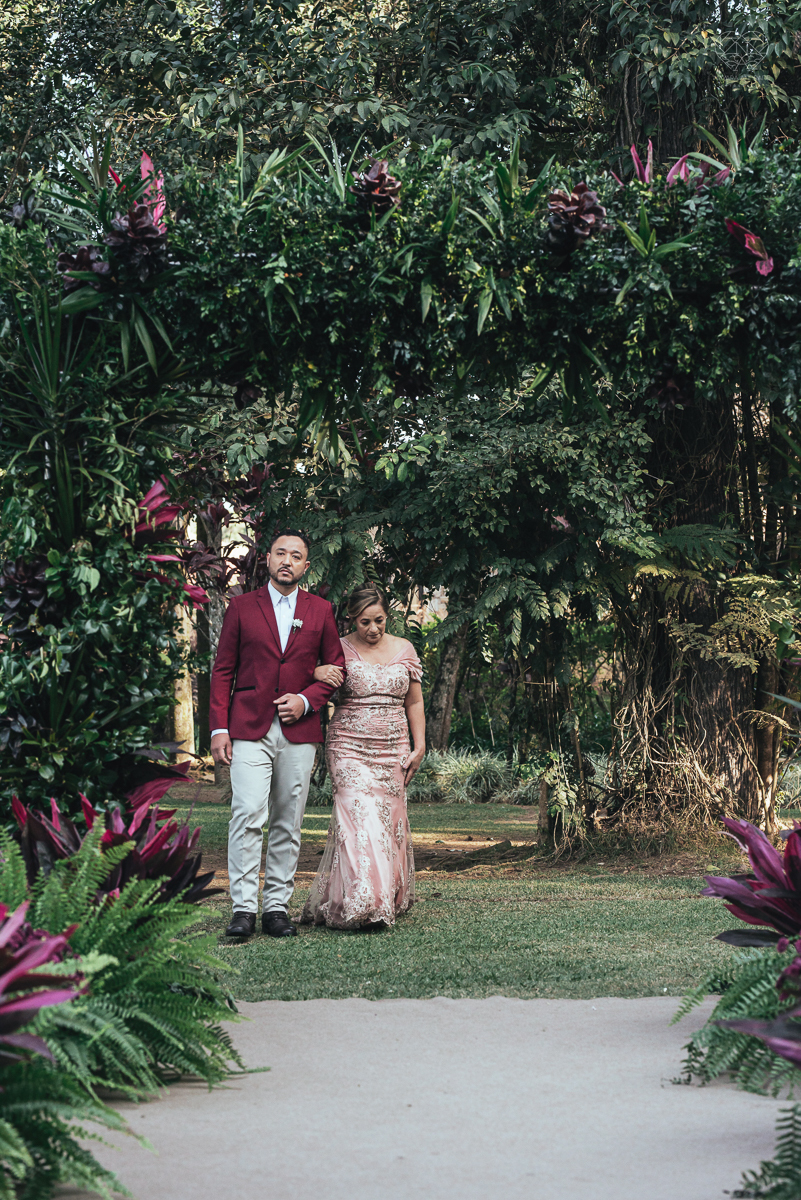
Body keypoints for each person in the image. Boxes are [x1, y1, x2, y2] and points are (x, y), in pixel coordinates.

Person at [209, 530, 345, 939]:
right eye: (281, 553)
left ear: (306, 566)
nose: (287, 560)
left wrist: (306, 700)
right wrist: (218, 728)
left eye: (297, 555)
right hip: (247, 726)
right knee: (248, 813)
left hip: (299, 732)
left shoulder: (320, 610)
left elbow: (335, 667)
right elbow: (222, 671)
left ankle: (276, 909)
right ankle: (243, 908)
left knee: (289, 821)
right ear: (267, 560)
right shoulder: (240, 607)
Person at [301, 582, 425, 930]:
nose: (373, 629)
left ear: (388, 617)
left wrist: (420, 745)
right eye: (364, 622)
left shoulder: (405, 649)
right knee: (359, 819)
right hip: (348, 747)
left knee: (388, 821)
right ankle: (363, 902)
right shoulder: (337, 649)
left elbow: (414, 701)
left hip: (393, 748)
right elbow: (304, 676)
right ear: (351, 620)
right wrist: (315, 671)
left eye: (380, 621)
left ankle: (383, 897)